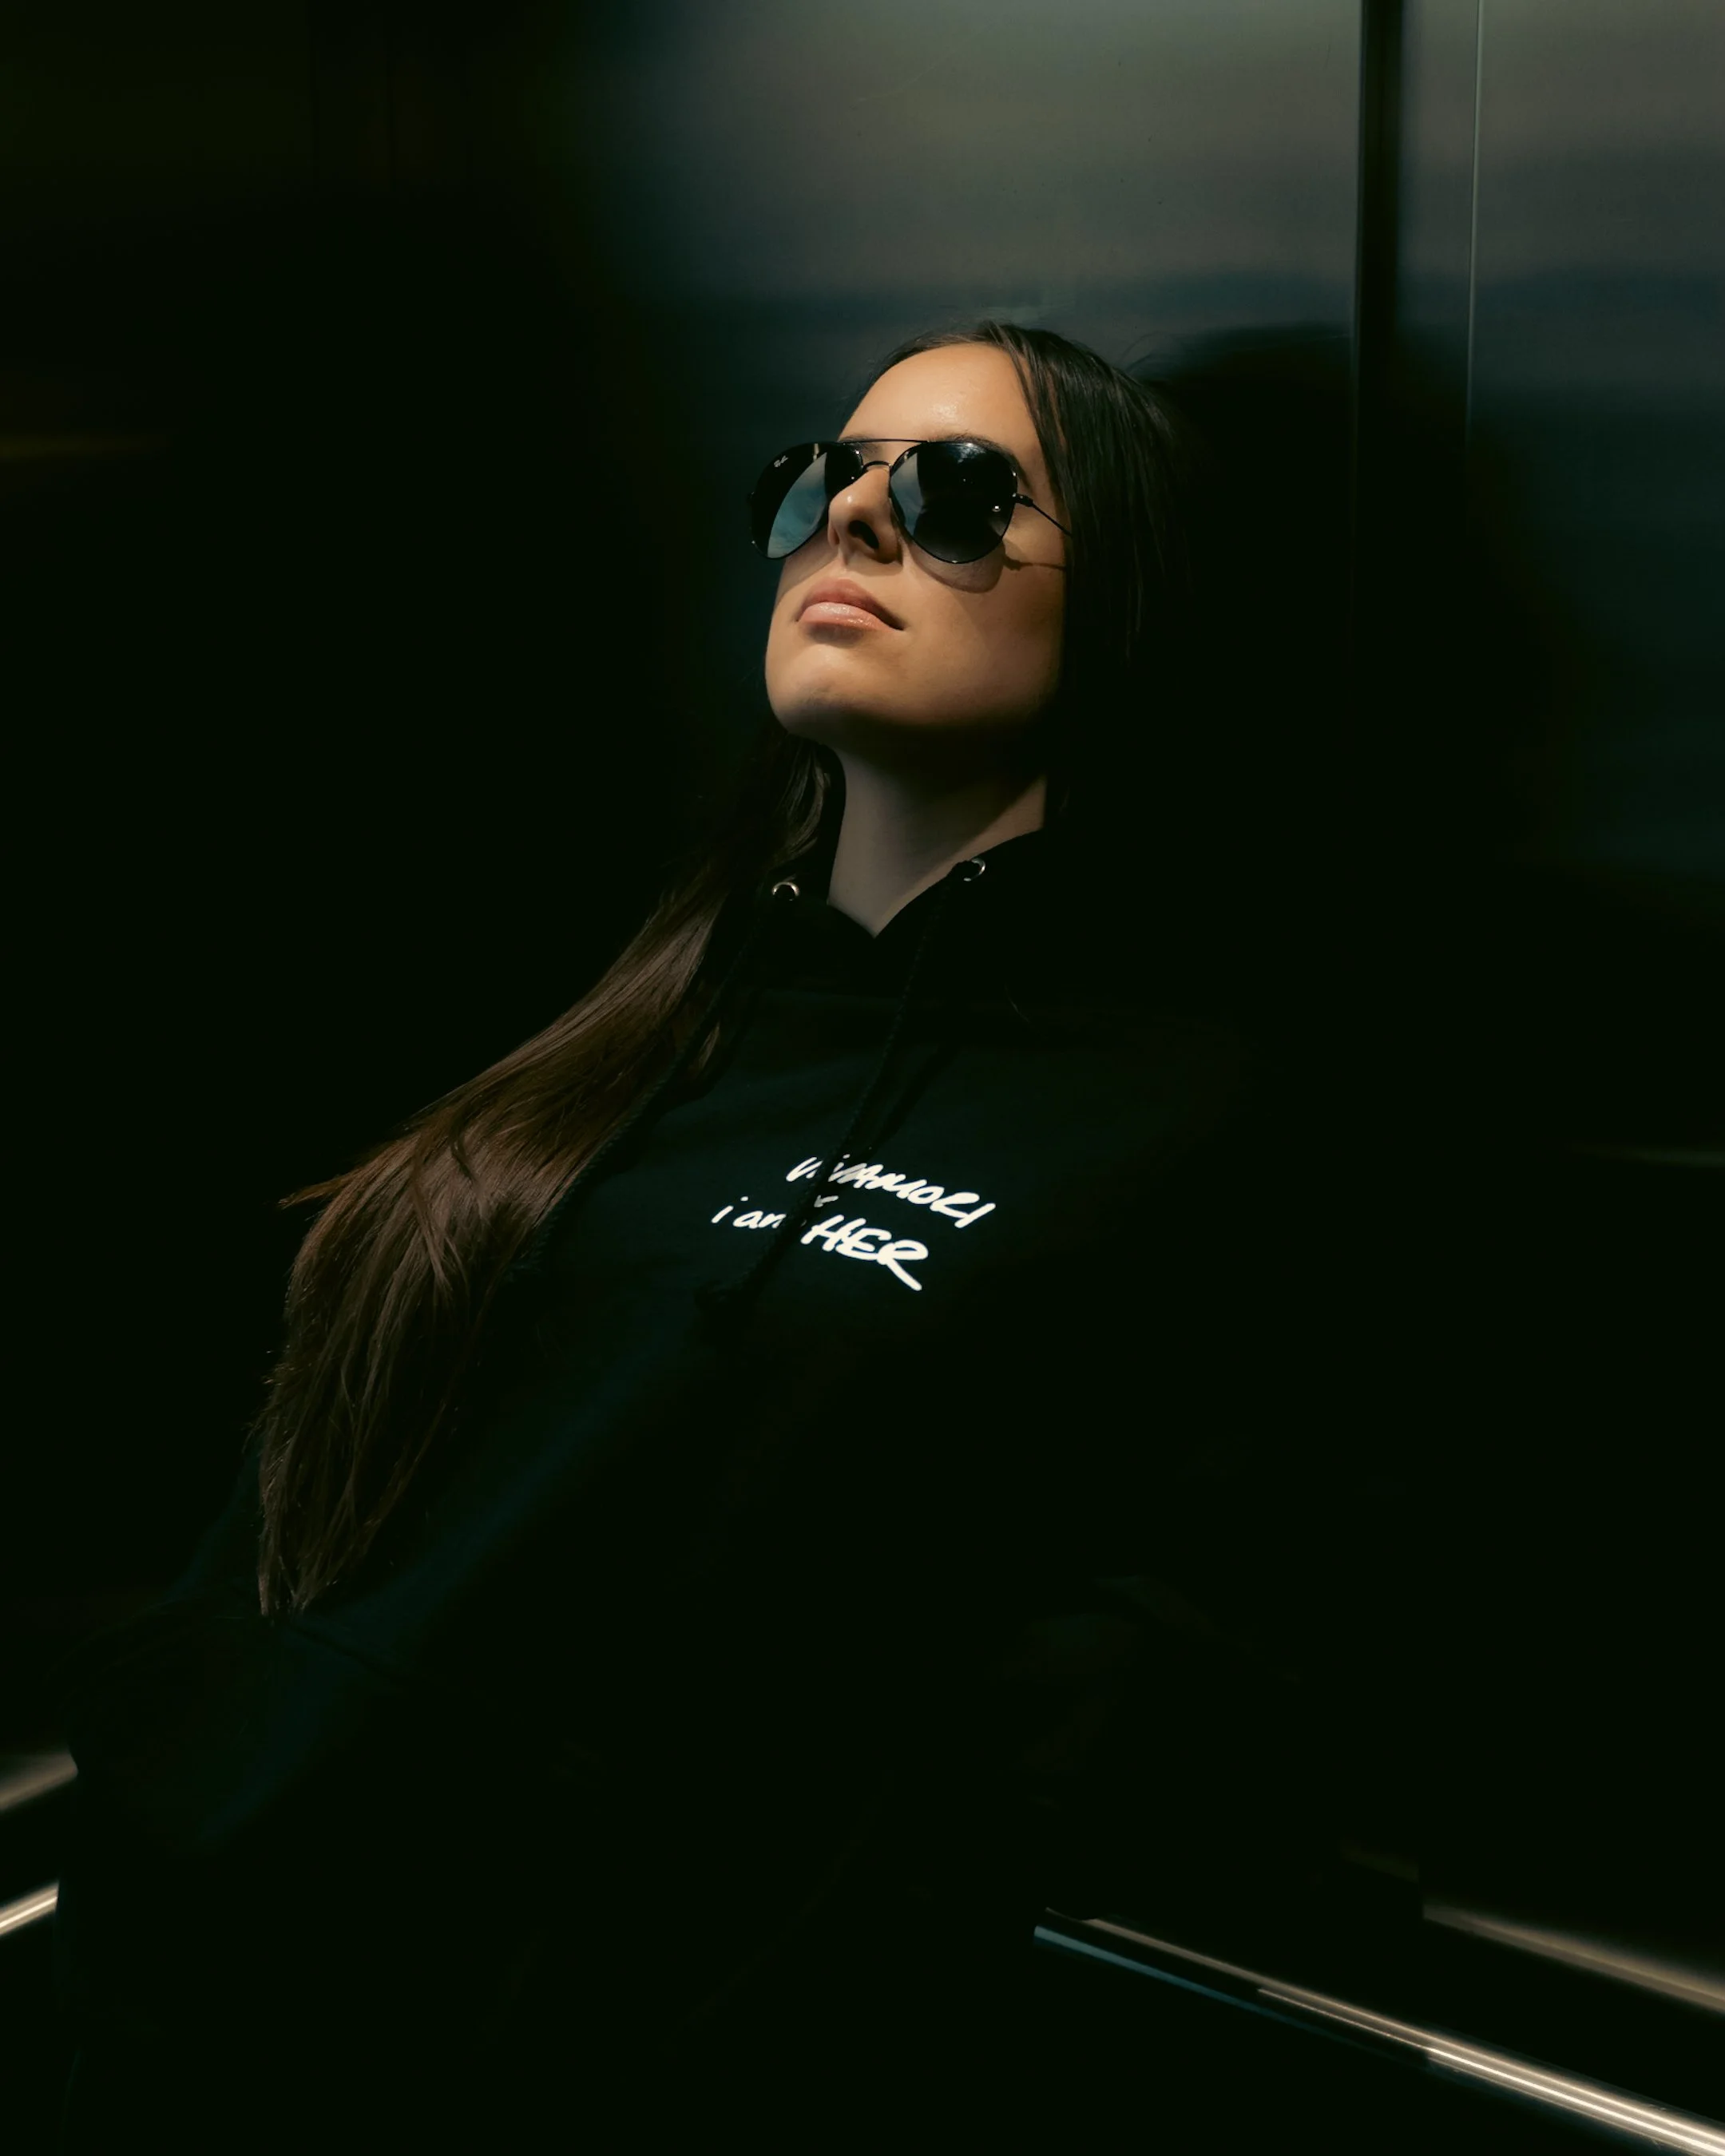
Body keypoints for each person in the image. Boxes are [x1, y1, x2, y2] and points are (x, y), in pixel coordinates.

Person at [53, 323, 1364, 2150]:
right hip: (187, 2013)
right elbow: (306, 1501)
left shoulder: (1188, 1110)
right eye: (825, 478)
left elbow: (1133, 1670)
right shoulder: (642, 1019)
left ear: (1128, 591)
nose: (855, 519)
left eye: (959, 493)